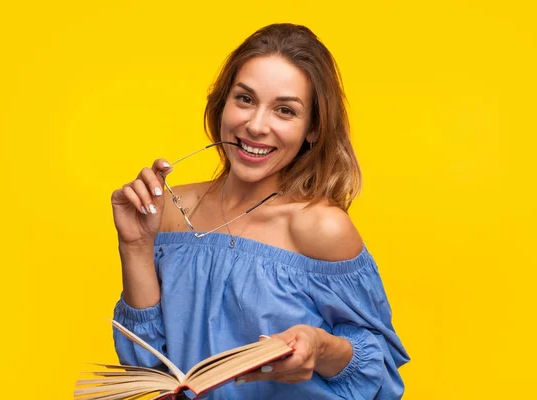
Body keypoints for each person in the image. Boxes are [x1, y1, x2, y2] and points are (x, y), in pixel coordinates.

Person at [110, 23, 409, 399]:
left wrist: (320, 347)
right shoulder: (167, 210)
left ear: (312, 128)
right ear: (223, 104)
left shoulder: (321, 228)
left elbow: (380, 374)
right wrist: (135, 246)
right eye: (245, 99)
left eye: (285, 110)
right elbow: (143, 368)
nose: (255, 125)